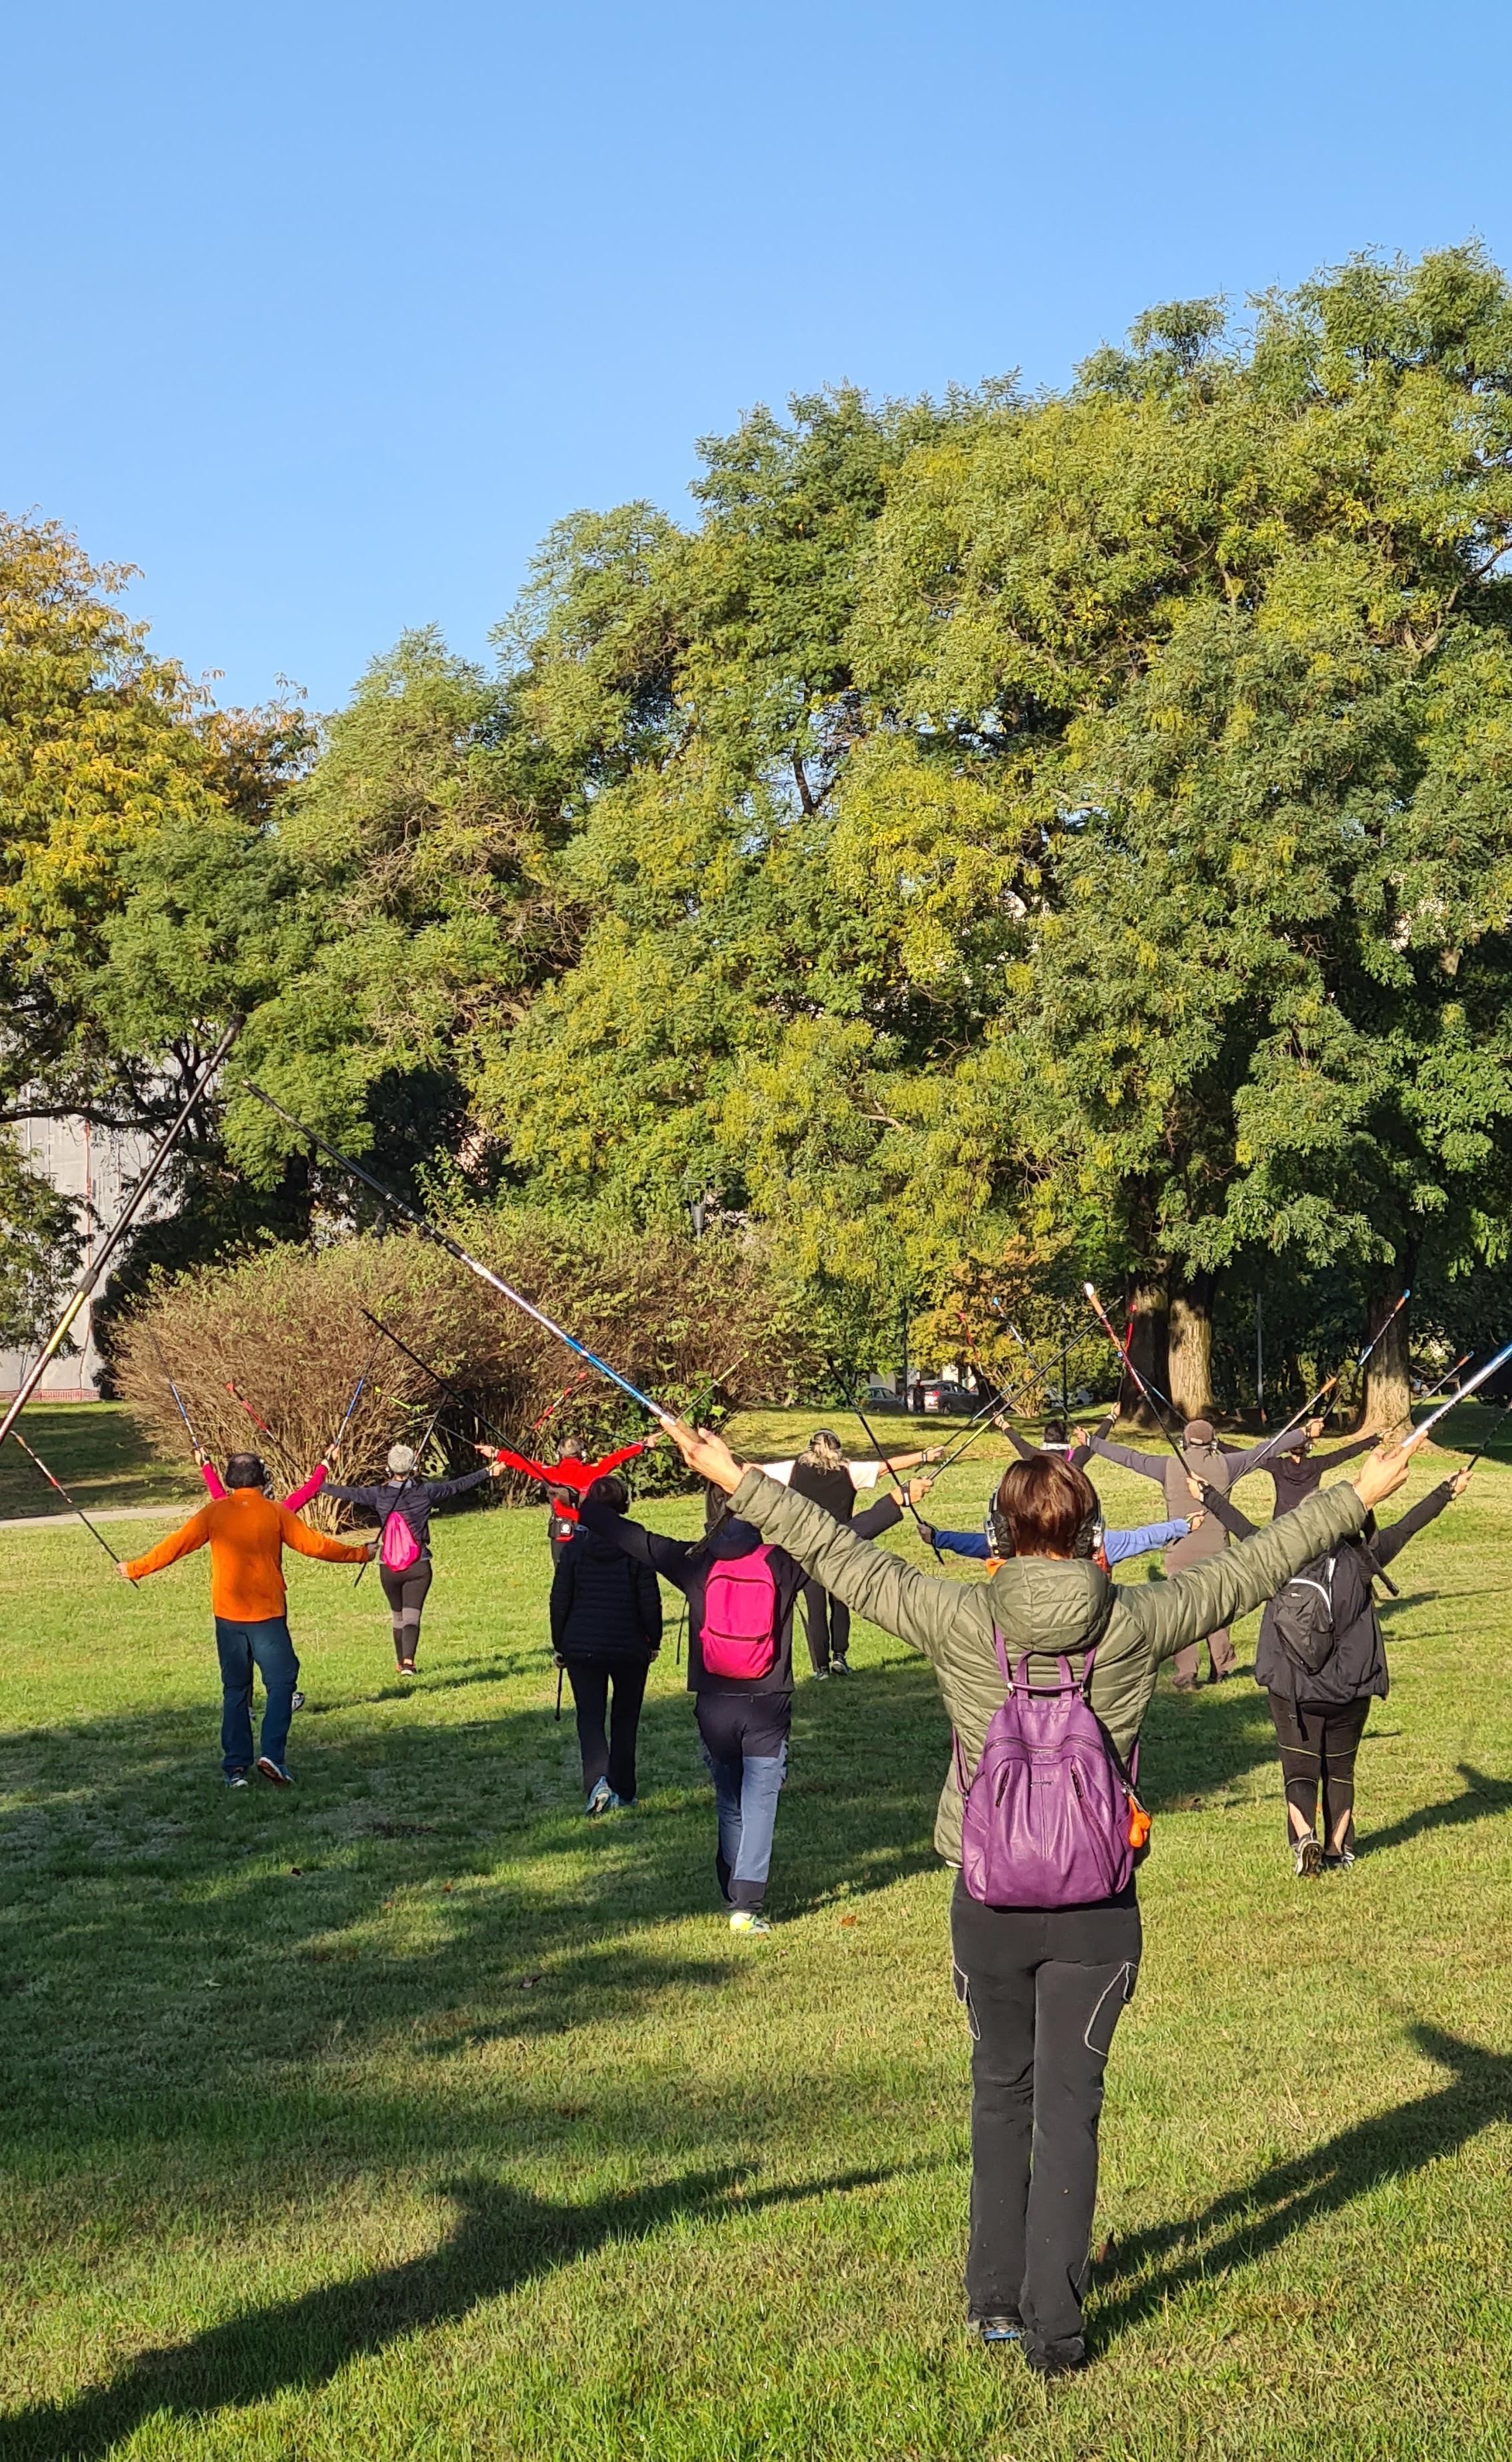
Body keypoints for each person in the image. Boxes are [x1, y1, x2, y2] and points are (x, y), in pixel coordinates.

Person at [665, 1411, 1413, 2373]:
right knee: (1071, 2105)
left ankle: (994, 2304)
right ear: (1091, 1532)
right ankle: (1057, 2332)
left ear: (1003, 1535)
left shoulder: (957, 1615)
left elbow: (836, 1555)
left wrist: (733, 1474)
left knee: (999, 2095)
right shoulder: (1138, 1619)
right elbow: (1253, 1570)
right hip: (1099, 1901)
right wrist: (1357, 1495)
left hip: (988, 1896)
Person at [579, 1477, 925, 1935]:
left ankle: (731, 1885)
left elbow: (636, 1539)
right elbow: (844, 1538)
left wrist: (584, 1507)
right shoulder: (782, 1562)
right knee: (760, 1802)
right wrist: (896, 1502)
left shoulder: (694, 1562)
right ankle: (745, 1904)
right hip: (767, 1702)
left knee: (730, 1798)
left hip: (714, 1704)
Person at [1203, 1466, 1473, 1875]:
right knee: (1341, 1769)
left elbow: (1244, 1531)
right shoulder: (1365, 1559)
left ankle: (1304, 1839)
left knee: (1298, 1768)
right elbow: (1409, 1525)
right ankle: (1337, 1849)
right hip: (1350, 1689)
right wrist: (1447, 1490)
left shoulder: (1279, 1555)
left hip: (1292, 1690)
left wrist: (1208, 1495)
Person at [117, 1451, 374, 1786]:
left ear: (229, 1481)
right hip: (267, 1615)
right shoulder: (275, 1512)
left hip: (228, 1617)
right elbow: (317, 1546)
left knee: (236, 1689)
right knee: (282, 1682)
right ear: (264, 1480)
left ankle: (235, 1768)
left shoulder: (214, 1512)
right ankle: (272, 1754)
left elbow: (174, 1546)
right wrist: (360, 1554)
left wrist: (135, 1568)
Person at [759, 1430, 942, 1678]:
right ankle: (839, 1657)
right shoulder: (848, 1471)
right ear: (838, 1449)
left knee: (815, 1608)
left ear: (810, 1449)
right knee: (840, 1604)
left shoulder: (792, 1470)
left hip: (808, 1549)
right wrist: (923, 1456)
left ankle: (820, 1667)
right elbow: (886, 1467)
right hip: (842, 1547)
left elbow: (755, 1469)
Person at [1087, 1417, 1253, 1688]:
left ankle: (1186, 1672)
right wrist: (1302, 1433)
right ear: (1214, 1443)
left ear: (1184, 1442)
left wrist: (1092, 1443)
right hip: (1218, 1552)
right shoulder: (1228, 1464)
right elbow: (1267, 1449)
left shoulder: (1167, 1465)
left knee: (1184, 1611)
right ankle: (1221, 1666)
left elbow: (1130, 1458)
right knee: (1219, 1607)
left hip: (1180, 1550)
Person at [325, 1446, 507, 1672]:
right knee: (412, 1615)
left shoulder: (378, 1494)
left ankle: (401, 1662)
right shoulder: (426, 1491)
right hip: (419, 1564)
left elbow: (347, 1493)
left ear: (388, 1468)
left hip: (388, 1566)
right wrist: (488, 1472)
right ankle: (408, 1663)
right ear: (413, 1467)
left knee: (397, 1616)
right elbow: (457, 1486)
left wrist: (318, 1483)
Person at [551, 1474, 664, 1814]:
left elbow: (560, 1600)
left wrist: (560, 1643)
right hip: (630, 1646)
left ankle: (597, 1783)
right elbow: (650, 1600)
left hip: (582, 1646)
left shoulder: (574, 1549)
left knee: (590, 1717)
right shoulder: (636, 1545)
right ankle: (624, 1790)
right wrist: (653, 1639)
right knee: (625, 1719)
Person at [484, 1433, 659, 1560]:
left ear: (558, 1455)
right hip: (592, 1531)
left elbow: (523, 1463)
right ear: (582, 1455)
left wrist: (497, 1454)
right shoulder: (594, 1471)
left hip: (563, 1535)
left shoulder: (550, 1473)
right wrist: (642, 1445)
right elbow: (616, 1458)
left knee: (564, 1577)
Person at [1230, 1416, 1395, 1517]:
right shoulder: (1317, 1465)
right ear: (1308, 1447)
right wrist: (1375, 1439)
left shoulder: (1277, 1466)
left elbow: (1248, 1456)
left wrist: (1218, 1445)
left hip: (1281, 1521)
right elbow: (1346, 1453)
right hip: (1308, 1517)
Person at [1001, 1414, 1113, 1473]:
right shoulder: (1077, 1456)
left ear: (1045, 1437)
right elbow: (1099, 1437)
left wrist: (1002, 1423)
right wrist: (1112, 1416)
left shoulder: (1035, 1456)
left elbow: (1017, 1441)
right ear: (1067, 1438)